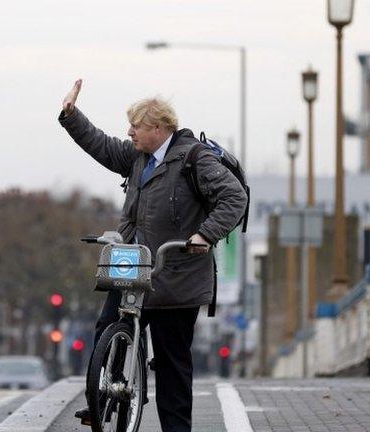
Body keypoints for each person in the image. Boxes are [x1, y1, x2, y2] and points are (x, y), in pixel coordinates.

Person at [58, 80, 247, 432]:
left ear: (158, 128)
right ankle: (106, 395)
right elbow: (102, 145)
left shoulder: (195, 158)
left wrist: (205, 234)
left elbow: (234, 198)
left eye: (136, 126)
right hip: (134, 267)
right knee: (107, 328)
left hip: (177, 276)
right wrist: (71, 116)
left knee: (173, 364)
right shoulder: (137, 158)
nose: (129, 132)